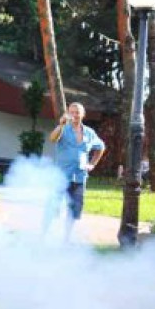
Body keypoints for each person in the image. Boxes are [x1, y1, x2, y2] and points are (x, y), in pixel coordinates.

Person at [47, 102, 106, 239]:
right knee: (54, 207)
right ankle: (45, 236)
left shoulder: (90, 133)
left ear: (82, 115)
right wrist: (61, 124)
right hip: (62, 176)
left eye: (77, 112)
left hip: (79, 177)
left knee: (74, 210)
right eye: (72, 112)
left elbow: (101, 147)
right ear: (67, 113)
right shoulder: (63, 129)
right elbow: (52, 138)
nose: (74, 115)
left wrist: (92, 164)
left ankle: (66, 238)